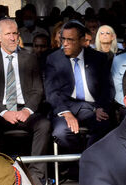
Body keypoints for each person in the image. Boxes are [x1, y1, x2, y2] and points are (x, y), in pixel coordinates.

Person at [0, 18, 52, 184]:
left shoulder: (30, 58)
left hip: (25, 110)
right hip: (0, 111)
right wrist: (4, 112)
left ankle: (36, 176)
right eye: (8, 34)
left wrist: (27, 110)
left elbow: (38, 90)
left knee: (44, 124)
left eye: (15, 33)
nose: (13, 38)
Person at [44, 20, 113, 158]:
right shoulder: (53, 59)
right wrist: (66, 113)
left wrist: (101, 107)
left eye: (70, 40)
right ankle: (84, 160)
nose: (65, 43)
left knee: (106, 126)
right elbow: (51, 92)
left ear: (82, 41)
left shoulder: (98, 58)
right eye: (63, 39)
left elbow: (108, 88)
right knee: (60, 133)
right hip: (65, 108)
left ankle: (85, 161)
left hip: (92, 108)